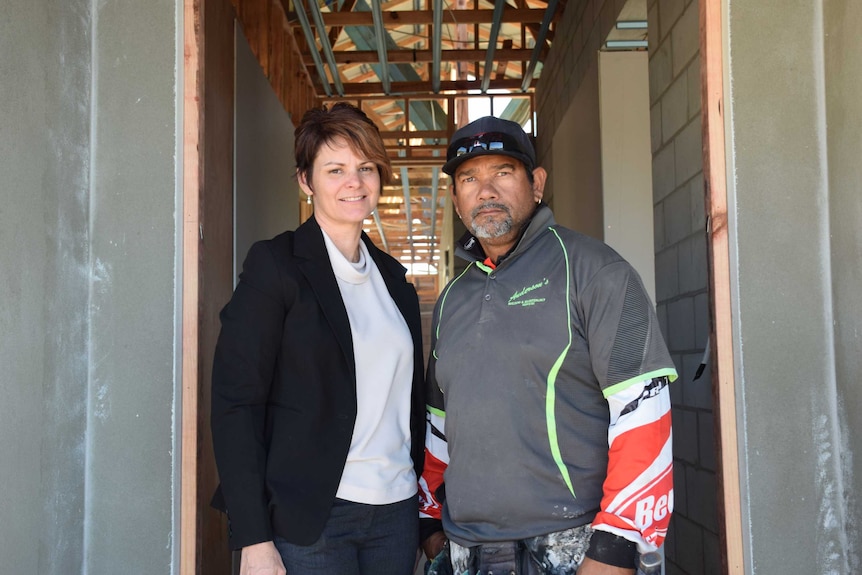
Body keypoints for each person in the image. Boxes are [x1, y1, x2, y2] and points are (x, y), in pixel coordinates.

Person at [418, 116, 677, 575]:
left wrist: (616, 546)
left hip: (574, 548)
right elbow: (440, 422)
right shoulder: (451, 299)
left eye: (502, 172)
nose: (485, 190)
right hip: (466, 549)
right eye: (468, 178)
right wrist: (430, 521)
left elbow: (644, 412)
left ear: (536, 183)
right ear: (456, 199)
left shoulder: (595, 271)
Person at [210, 102, 425, 575]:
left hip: (395, 509)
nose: (355, 181)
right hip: (312, 518)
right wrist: (253, 538)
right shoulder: (277, 266)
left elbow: (408, 402)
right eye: (336, 169)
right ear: (306, 182)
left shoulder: (394, 281)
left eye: (366, 168)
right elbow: (236, 402)